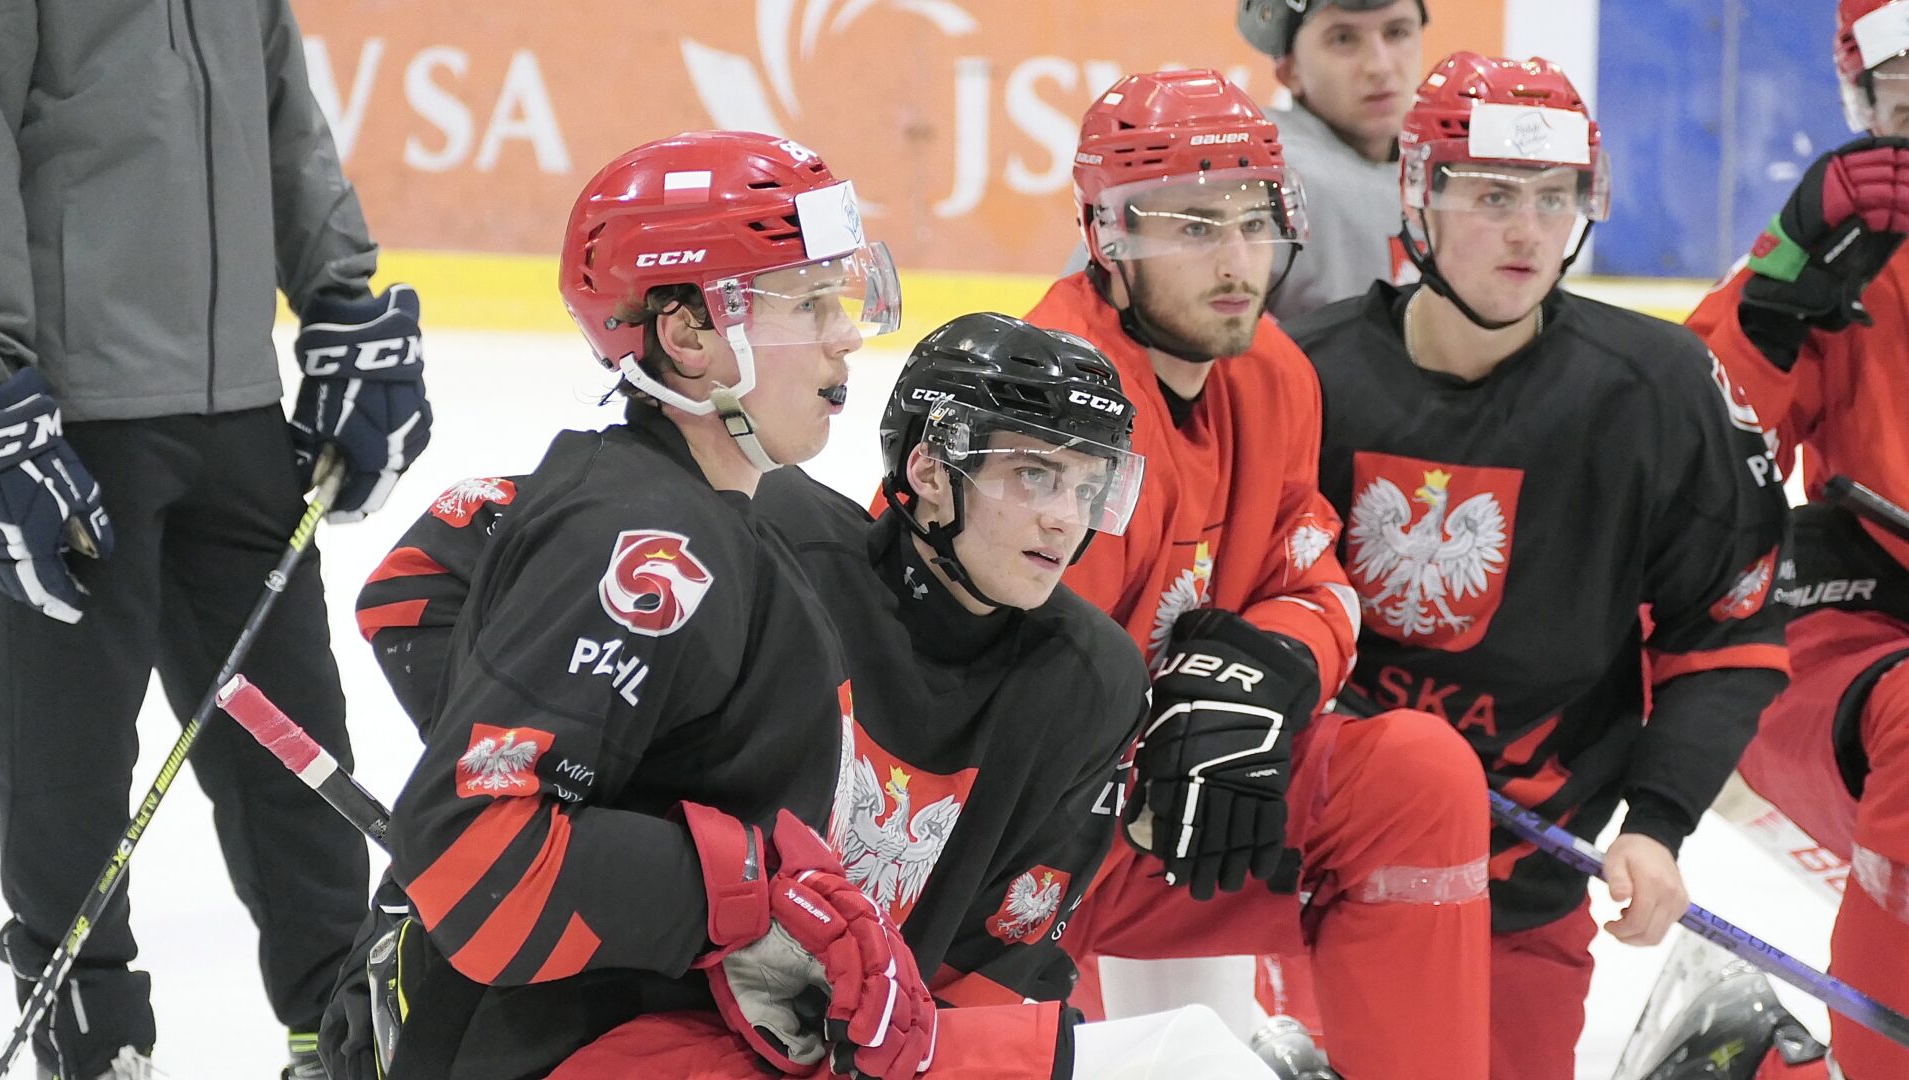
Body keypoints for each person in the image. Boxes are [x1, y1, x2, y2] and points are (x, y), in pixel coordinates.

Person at [359, 310, 1318, 1078]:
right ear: (932, 470)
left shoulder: (1090, 683)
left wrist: (878, 1034)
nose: (1067, 520)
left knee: (1195, 1059)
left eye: (1089, 486)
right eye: (1035, 476)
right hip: (617, 1022)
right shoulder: (770, 536)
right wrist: (554, 764)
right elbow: (419, 582)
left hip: (838, 1061)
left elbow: (996, 964)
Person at [370, 131, 936, 1080]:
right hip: (564, 1049)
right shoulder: (647, 538)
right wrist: (744, 893)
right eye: (806, 303)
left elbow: (412, 588)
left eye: (839, 296)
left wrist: (611, 788)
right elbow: (475, 852)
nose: (844, 333)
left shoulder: (690, 506)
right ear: (687, 336)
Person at [1286, 53, 1792, 1080]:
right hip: (1317, 867)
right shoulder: (1300, 378)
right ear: (1418, 196)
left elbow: (1724, 630)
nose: (1528, 231)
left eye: (1555, 197)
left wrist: (1658, 824)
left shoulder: (1657, 391)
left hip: (1524, 881)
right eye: (1493, 196)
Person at [0, 3, 432, 1076]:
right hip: (72, 418)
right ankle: (94, 1038)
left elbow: (285, 115)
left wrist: (339, 297)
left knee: (296, 744)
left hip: (238, 416)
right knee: (68, 765)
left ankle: (338, 1026)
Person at [1023, 68, 1492, 1079]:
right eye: (1195, 228)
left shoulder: (1272, 371)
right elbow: (997, 694)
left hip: (1160, 820)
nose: (1238, 260)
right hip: (1003, 847)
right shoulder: (1050, 404)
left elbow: (1314, 577)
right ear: (1107, 235)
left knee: (1417, 777)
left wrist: (1270, 669)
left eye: (1255, 221)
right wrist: (1164, 725)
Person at [1683, 2, 1909, 1073]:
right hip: (1859, 647)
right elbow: (1682, 463)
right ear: (1865, 105)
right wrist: (1772, 306)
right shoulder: (1844, 263)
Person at [1235, 0, 1428, 320]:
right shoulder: (1259, 172)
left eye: (1396, 32)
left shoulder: (1456, 167)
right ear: (1289, 71)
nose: (1380, 66)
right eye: (1343, 39)